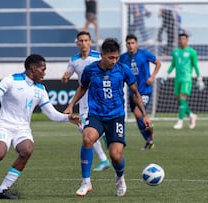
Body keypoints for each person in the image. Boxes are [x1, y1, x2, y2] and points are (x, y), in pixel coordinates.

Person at [0, 54, 80, 199]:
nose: (45, 73)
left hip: (22, 128)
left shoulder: (41, 89)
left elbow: (52, 114)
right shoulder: (11, 80)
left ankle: (2, 190)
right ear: (33, 68)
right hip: (5, 125)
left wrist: (67, 117)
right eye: (43, 69)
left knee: (27, 150)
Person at [64, 38, 152, 197]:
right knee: (87, 138)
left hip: (116, 117)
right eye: (111, 58)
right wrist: (71, 105)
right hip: (96, 115)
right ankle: (86, 182)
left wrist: (144, 116)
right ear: (102, 55)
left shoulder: (123, 69)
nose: (114, 61)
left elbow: (135, 93)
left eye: (117, 57)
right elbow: (82, 87)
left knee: (115, 155)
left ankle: (120, 178)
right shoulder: (91, 70)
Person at [62, 31, 111, 171]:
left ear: (90, 42)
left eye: (86, 40)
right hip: (84, 100)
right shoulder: (73, 60)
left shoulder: (98, 57)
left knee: (91, 128)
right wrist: (65, 77)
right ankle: (104, 159)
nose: (83, 43)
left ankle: (104, 143)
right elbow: (67, 76)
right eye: (81, 41)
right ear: (77, 43)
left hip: (99, 97)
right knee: (83, 129)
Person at [119, 34, 161, 151]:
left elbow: (158, 63)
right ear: (126, 45)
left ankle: (149, 138)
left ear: (136, 44)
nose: (131, 45)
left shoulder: (144, 54)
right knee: (138, 118)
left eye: (133, 43)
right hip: (132, 92)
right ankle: (149, 139)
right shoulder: (123, 58)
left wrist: (152, 77)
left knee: (138, 113)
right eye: (128, 43)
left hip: (145, 90)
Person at [162, 33, 204, 129]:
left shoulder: (192, 52)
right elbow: (173, 65)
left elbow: (195, 65)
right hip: (178, 79)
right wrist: (166, 74)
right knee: (179, 101)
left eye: (184, 39)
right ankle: (191, 115)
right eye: (180, 39)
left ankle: (180, 122)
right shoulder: (175, 52)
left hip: (186, 79)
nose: (182, 41)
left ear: (187, 40)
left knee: (182, 98)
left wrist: (199, 78)